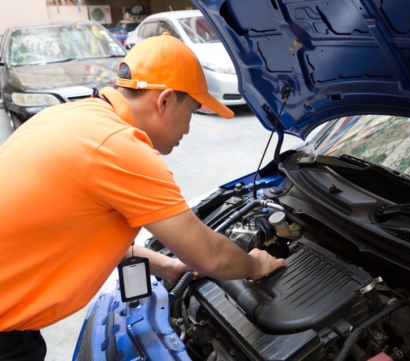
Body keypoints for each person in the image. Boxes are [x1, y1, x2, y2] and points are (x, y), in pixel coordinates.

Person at [0, 33, 285, 360]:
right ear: (164, 101)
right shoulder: (119, 146)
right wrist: (256, 265)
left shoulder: (73, 117)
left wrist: (167, 267)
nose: (189, 129)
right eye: (191, 112)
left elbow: (77, 232)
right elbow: (210, 256)